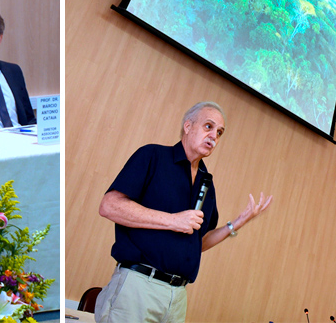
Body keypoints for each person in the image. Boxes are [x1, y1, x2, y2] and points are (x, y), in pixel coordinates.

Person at [94, 102, 273, 323]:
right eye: (208, 126)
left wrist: (237, 223)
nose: (214, 136)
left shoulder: (207, 183)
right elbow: (109, 206)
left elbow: (200, 242)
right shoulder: (153, 156)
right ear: (188, 126)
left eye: (219, 132)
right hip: (138, 287)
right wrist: (172, 220)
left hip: (177, 297)